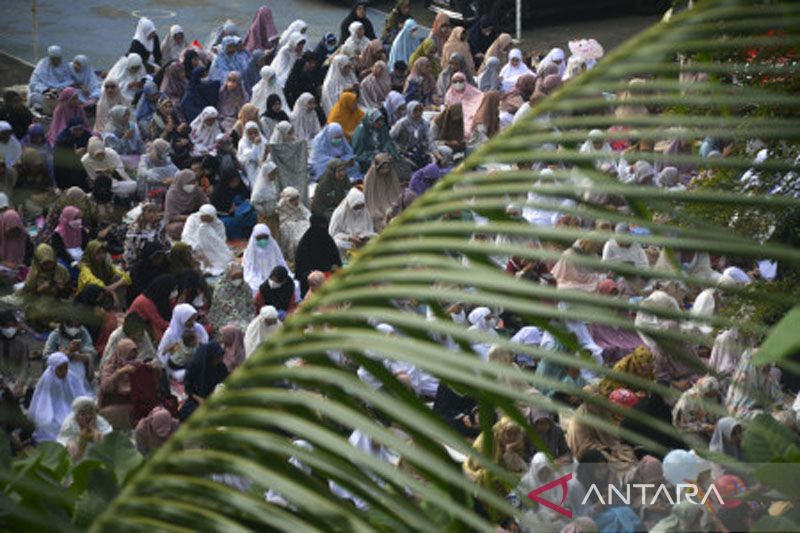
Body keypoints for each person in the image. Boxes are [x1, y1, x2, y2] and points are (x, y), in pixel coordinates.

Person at [28, 352, 90, 442]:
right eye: (60, 369)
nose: (64, 371)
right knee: (57, 425)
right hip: (53, 412)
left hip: (71, 407)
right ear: (54, 368)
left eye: (66, 368)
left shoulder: (70, 376)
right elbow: (44, 403)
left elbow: (79, 393)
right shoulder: (48, 379)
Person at [178, 341, 229, 421]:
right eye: (217, 358)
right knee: (188, 414)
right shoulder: (194, 367)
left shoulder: (220, 366)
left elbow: (227, 380)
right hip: (199, 398)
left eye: (220, 357)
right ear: (209, 357)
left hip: (217, 395)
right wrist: (200, 400)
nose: (220, 360)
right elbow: (188, 389)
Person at [157, 303, 209, 377]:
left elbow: (205, 342)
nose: (192, 322)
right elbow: (163, 353)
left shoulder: (197, 328)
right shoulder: (171, 334)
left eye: (194, 318)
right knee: (184, 375)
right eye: (189, 320)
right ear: (181, 319)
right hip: (178, 365)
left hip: (196, 360)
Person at [180, 204, 232, 277]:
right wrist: (200, 254)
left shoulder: (218, 224)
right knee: (203, 228)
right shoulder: (192, 219)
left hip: (213, 251)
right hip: (195, 250)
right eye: (204, 219)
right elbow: (186, 237)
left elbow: (221, 243)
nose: (206, 222)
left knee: (225, 262)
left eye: (209, 219)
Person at [390, 101, 438, 170]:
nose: (418, 113)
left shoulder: (423, 123)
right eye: (415, 111)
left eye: (420, 110)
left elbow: (429, 139)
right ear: (410, 111)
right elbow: (391, 137)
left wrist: (436, 152)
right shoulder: (402, 123)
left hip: (417, 150)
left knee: (429, 161)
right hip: (402, 151)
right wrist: (395, 150)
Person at [329, 188, 376, 257]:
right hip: (347, 242)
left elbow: (369, 229)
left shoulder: (365, 211)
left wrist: (364, 237)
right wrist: (350, 238)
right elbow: (333, 233)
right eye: (356, 207)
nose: (359, 210)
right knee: (337, 243)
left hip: (363, 241)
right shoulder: (340, 214)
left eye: (361, 207)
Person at [243, 224, 288, 294]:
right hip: (257, 278)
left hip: (275, 276)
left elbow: (280, 261)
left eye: (265, 237)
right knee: (253, 288)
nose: (262, 240)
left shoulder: (273, 246)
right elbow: (249, 269)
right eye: (259, 238)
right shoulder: (250, 250)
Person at [363, 153, 402, 232]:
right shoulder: (370, 178)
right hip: (376, 207)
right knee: (376, 217)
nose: (385, 171)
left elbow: (397, 193)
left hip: (391, 204)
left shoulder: (391, 175)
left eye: (387, 168)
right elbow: (370, 200)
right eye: (382, 168)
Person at [0, 310, 33, 401]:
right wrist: (4, 383)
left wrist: (19, 384)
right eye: (7, 326)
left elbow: (24, 365)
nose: (10, 329)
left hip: (16, 378)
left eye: (12, 326)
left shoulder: (21, 344)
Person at [277, 187, 311, 262]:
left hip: (302, 225)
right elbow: (281, 221)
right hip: (289, 228)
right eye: (292, 200)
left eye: (296, 199)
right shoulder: (281, 208)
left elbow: (308, 215)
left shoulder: (300, 205)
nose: (295, 202)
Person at [236, 121, 268, 186]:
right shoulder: (243, 142)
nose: (253, 135)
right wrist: (255, 145)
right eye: (250, 134)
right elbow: (249, 157)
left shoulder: (263, 140)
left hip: (263, 166)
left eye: (255, 133)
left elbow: (266, 152)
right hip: (250, 167)